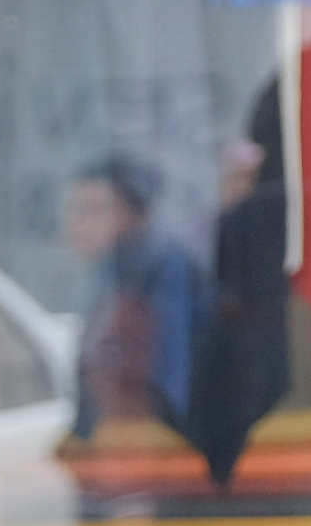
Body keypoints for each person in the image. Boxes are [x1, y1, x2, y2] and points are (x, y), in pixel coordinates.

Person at [63, 151, 207, 445]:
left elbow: (171, 381)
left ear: (136, 214)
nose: (77, 226)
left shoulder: (159, 270)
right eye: (74, 211)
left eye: (94, 211)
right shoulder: (110, 275)